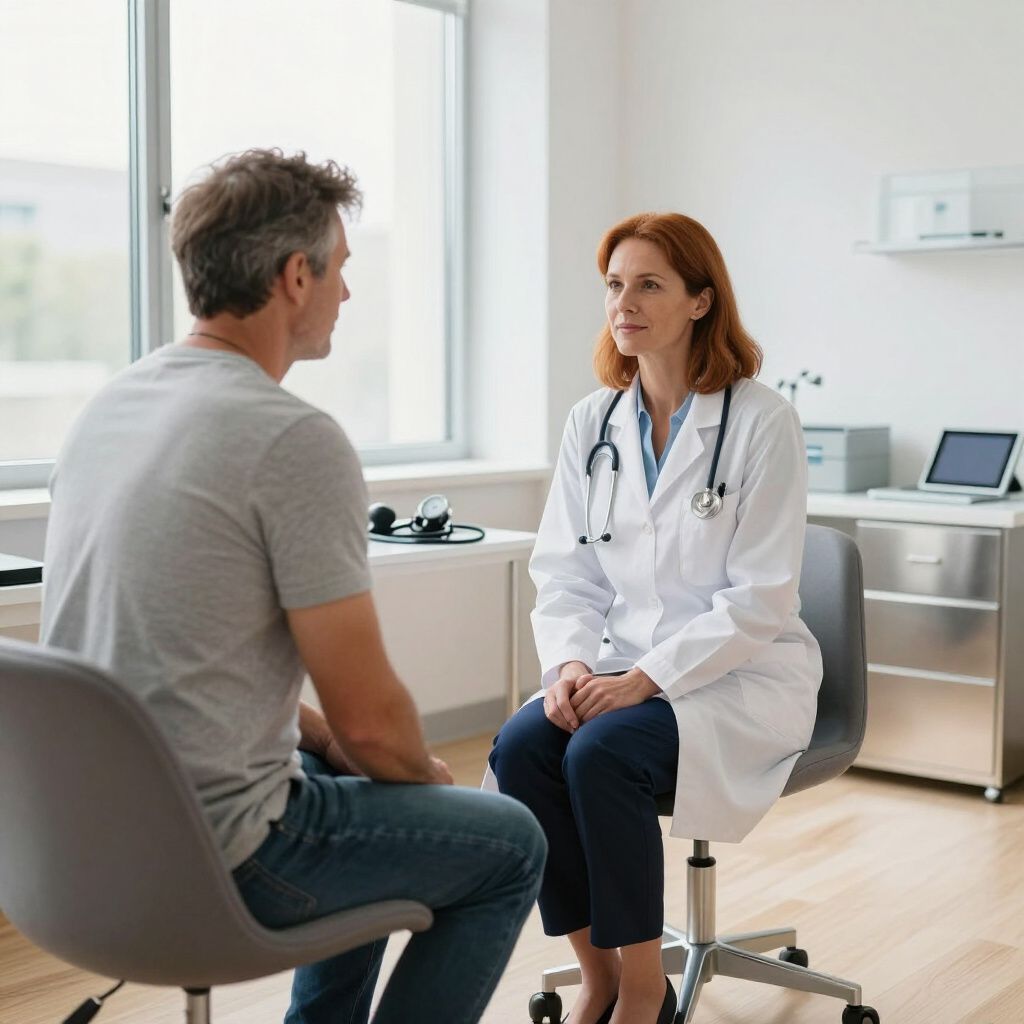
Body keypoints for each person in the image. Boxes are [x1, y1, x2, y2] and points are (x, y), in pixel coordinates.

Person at [40, 148, 545, 1024]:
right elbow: (373, 724)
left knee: (358, 786)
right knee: (508, 844)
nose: (348, 293)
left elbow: (184, 668)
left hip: (78, 849)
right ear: (295, 276)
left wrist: (335, 746)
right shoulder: (292, 439)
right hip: (219, 858)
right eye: (342, 268)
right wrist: (418, 774)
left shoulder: (111, 406)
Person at [485, 212, 823, 1024]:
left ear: (701, 302)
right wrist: (571, 665)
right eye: (613, 285)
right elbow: (565, 570)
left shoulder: (760, 422)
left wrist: (644, 678)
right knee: (523, 746)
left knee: (600, 753)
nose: (622, 303)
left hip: (739, 675)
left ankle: (644, 991)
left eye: (648, 285)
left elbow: (761, 597)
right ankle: (596, 974)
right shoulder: (591, 423)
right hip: (615, 663)